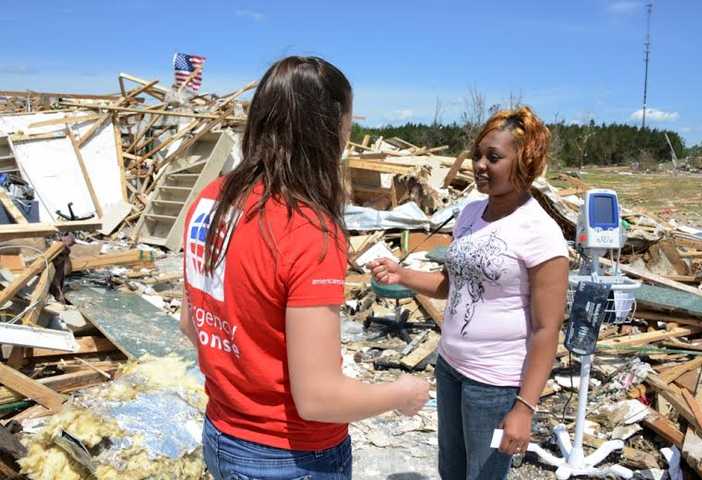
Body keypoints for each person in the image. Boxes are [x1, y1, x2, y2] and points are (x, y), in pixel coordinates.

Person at [180, 56, 429, 480]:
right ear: (331, 127)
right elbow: (317, 398)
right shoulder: (307, 229)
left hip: (221, 434)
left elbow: (191, 324)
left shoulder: (212, 199)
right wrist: (400, 392)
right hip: (288, 457)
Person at [369, 106, 569, 479]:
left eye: (493, 157)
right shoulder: (471, 214)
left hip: (494, 382)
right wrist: (403, 275)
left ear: (524, 162)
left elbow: (547, 330)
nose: (479, 165)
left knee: (483, 475)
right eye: (477, 155)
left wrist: (524, 408)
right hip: (450, 368)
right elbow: (452, 285)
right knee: (452, 470)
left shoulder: (540, 232)